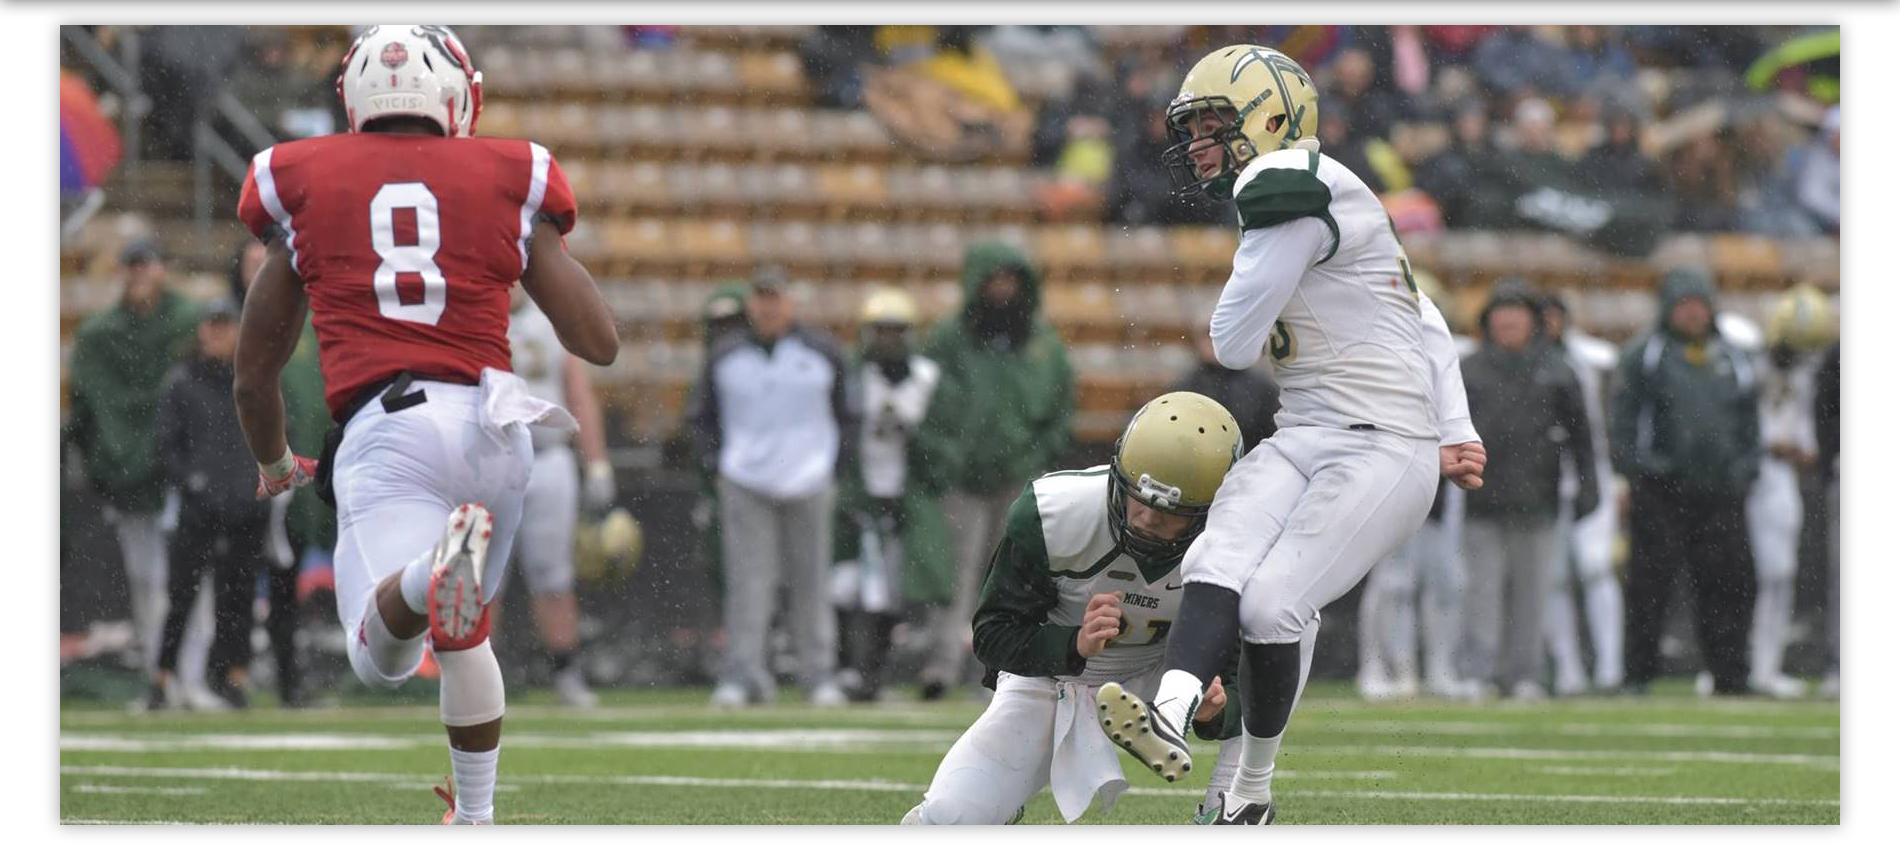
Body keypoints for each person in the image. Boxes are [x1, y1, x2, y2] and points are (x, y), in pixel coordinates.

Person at [231, 25, 617, 825]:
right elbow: (597, 342)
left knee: (382, 659)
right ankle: (473, 818)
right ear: (454, 93)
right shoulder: (510, 171)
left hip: (392, 428)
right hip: (497, 428)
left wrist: (275, 463)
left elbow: (253, 372)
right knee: (463, 633)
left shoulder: (301, 177)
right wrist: (524, 243)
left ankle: (425, 576)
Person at [1096, 45, 1485, 825]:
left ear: (1269, 117)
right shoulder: (1327, 194)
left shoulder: (1290, 182)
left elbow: (1232, 342)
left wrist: (1443, 428)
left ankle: (1251, 790)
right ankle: (1169, 713)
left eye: (1212, 122)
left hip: (1383, 443)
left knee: (1273, 606)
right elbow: (1425, 317)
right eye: (1191, 127)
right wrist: (1459, 422)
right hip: (1305, 428)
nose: (1197, 141)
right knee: (1215, 557)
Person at [903, 393, 1245, 825]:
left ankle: (1234, 804)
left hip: (1164, 675)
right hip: (1056, 680)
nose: (1144, 517)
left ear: (1210, 511)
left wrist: (1217, 712)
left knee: (1285, 616)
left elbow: (1250, 674)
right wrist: (1073, 643)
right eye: (1137, 497)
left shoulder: (1239, 541)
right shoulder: (1055, 512)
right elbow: (992, 633)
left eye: (1168, 511)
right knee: (949, 818)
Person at [687, 269, 858, 708]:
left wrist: (834, 466)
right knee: (749, 583)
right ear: (750, 305)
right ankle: (743, 674)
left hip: (810, 479)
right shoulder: (725, 355)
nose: (768, 308)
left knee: (811, 582)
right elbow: (701, 416)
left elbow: (848, 413)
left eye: (775, 299)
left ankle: (818, 675)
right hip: (745, 481)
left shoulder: (823, 351)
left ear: (791, 304)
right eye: (761, 299)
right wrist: (716, 465)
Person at [917, 241, 1075, 698]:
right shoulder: (947, 340)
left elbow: (1061, 410)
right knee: (955, 575)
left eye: (1010, 280)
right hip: (960, 480)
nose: (1002, 289)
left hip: (1017, 479)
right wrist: (945, 457)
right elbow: (923, 403)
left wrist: (1035, 456)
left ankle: (996, 670)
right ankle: (941, 666)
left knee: (1006, 582)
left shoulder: (1043, 346)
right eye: (994, 280)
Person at [68, 240, 220, 708]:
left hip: (187, 473)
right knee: (146, 581)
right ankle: (161, 680)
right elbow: (91, 409)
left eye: (146, 265)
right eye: (131, 266)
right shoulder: (102, 334)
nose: (139, 274)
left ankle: (193, 678)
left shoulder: (189, 321)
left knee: (193, 578)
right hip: (132, 479)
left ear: (162, 269)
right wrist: (113, 461)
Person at [1609, 267, 1760, 697]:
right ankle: (1638, 674)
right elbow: (1623, 422)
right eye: (1684, 305)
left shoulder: (1734, 357)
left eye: (1700, 305)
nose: (1694, 314)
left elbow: (1749, 424)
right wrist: (1644, 469)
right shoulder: (1645, 355)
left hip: (1722, 491)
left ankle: (1730, 675)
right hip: (1661, 492)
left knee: (1728, 585)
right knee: (1649, 585)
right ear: (1668, 309)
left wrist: (1743, 469)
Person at [1455, 282, 1598, 701]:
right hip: (1481, 499)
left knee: (1532, 594)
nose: (1509, 321)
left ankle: (1525, 674)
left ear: (1534, 322)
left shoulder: (1558, 370)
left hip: (1538, 499)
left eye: (1517, 313)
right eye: (1501, 313)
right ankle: (1480, 672)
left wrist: (1588, 487)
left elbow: (1582, 438)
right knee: (1481, 592)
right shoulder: (1468, 370)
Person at [829, 288, 958, 703]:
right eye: (880, 331)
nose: (888, 340)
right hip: (857, 493)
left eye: (896, 331)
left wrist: (914, 436)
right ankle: (847, 668)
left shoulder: (927, 378)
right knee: (846, 584)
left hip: (907, 498)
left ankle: (870, 672)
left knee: (891, 589)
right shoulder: (851, 376)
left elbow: (946, 442)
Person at [1356, 292, 1482, 701]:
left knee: (1447, 582)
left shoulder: (1450, 362)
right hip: (1390, 480)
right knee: (1392, 583)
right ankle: (1386, 666)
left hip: (1442, 489)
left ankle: (1440, 668)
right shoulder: (1376, 360)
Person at [151, 298, 274, 710]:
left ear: (238, 330)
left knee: (238, 598)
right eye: (212, 324)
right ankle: (162, 679)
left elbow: (278, 432)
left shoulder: (254, 378)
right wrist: (194, 483)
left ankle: (232, 679)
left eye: (225, 325)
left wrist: (257, 486)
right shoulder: (182, 381)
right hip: (197, 511)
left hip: (246, 509)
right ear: (201, 330)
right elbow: (166, 447)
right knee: (180, 598)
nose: (217, 333)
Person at [499, 287, 616, 707]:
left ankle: (566, 670)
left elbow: (577, 390)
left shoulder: (548, 319)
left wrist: (596, 461)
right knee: (482, 578)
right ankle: (477, 671)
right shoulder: (475, 315)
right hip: (492, 459)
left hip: (548, 456)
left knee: (553, 573)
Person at [1744, 284, 1835, 698]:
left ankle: (1767, 666)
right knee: (1756, 572)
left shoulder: (1807, 371)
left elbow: (1805, 430)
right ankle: (1738, 663)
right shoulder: (1751, 361)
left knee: (1781, 573)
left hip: (1783, 479)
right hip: (1751, 474)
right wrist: (1769, 444)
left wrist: (1804, 449)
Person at [1539, 291, 1624, 696]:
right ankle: (1568, 670)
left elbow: (1611, 422)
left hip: (1593, 469)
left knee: (1596, 568)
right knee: (1554, 578)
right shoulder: (1529, 363)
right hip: (1545, 476)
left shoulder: (1596, 358)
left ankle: (1610, 668)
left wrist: (1616, 475)